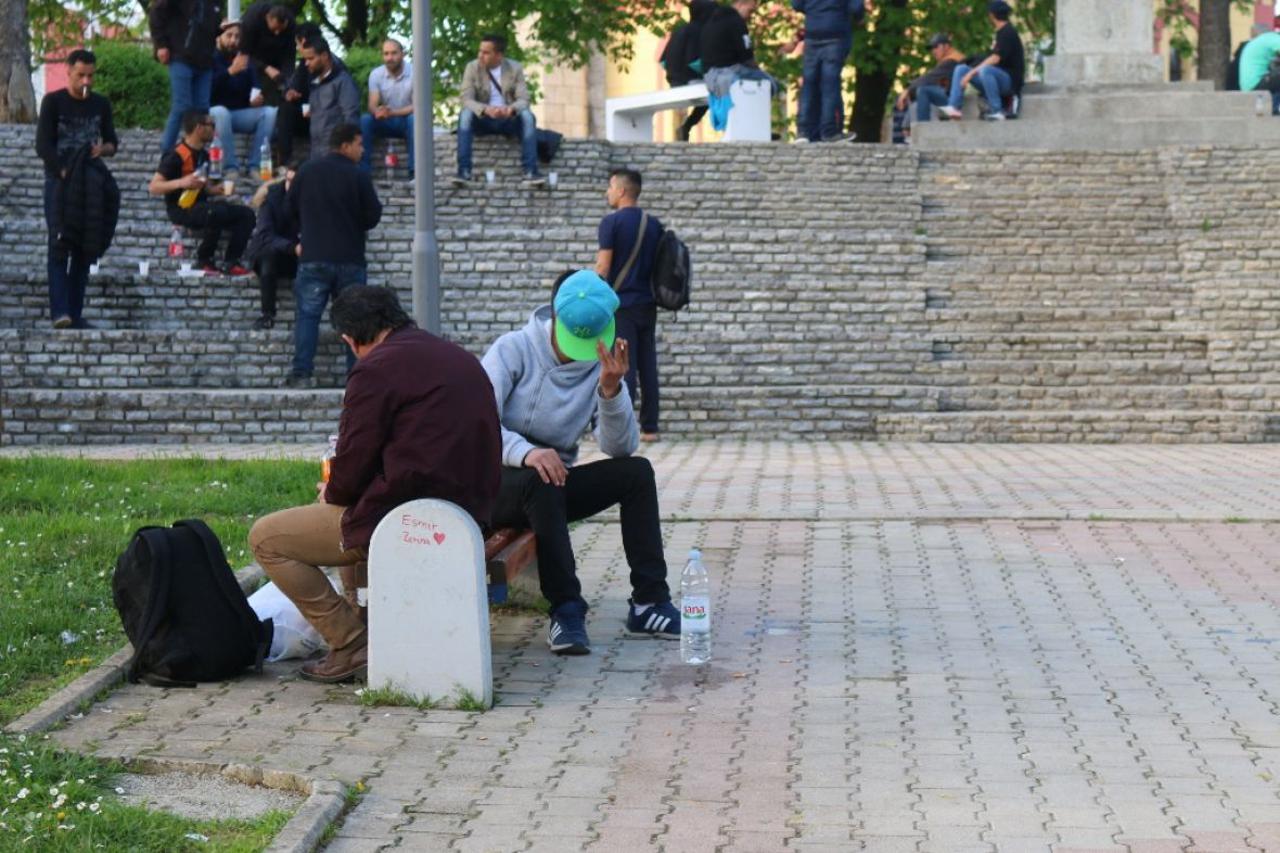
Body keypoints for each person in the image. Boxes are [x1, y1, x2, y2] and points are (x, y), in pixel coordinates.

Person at [249, 285, 503, 683]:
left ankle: (350, 641)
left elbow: (352, 463)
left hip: (407, 516)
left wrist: (331, 492)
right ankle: (369, 629)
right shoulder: (458, 357)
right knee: (349, 519)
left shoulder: (375, 369)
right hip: (469, 514)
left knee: (267, 538)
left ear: (350, 339)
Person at [482, 270, 681, 656]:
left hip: (551, 483)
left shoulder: (600, 361)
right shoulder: (512, 350)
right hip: (496, 484)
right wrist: (525, 452)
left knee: (636, 473)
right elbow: (477, 424)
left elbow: (619, 447)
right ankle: (566, 609)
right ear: (555, 318)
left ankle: (649, 603)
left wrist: (610, 391)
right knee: (542, 478)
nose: (580, 350)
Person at [286, 123, 382, 387]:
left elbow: (288, 208)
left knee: (308, 316)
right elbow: (373, 215)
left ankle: (302, 374)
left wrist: (306, 229)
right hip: (350, 258)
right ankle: (356, 378)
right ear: (345, 145)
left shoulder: (307, 170)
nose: (362, 150)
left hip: (314, 256)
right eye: (359, 144)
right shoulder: (358, 175)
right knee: (355, 321)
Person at [35, 49, 119, 329]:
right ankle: (60, 312)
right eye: (81, 75)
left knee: (85, 247)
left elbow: (112, 143)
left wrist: (102, 149)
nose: (86, 81)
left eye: (90, 76)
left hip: (90, 183)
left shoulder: (101, 104)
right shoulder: (53, 102)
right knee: (59, 244)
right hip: (59, 182)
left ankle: (75, 312)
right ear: (69, 71)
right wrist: (61, 170)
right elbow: (43, 144)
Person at [595, 169, 664, 442]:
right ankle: (650, 428)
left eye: (610, 187)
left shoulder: (611, 223)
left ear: (622, 191)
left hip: (621, 304)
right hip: (648, 303)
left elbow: (603, 267)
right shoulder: (653, 224)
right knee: (648, 365)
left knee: (624, 364)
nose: (608, 192)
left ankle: (623, 425)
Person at [149, 109, 256, 277]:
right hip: (181, 208)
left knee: (247, 215)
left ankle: (231, 261)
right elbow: (154, 187)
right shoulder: (176, 155)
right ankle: (204, 260)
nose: (214, 129)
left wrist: (217, 190)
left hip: (202, 206)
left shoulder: (204, 155)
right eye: (211, 125)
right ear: (199, 128)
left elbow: (204, 187)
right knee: (215, 212)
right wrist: (181, 182)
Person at [453, 34, 545, 188]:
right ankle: (464, 171)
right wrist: (485, 109)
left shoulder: (515, 68)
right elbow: (466, 99)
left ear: (499, 55)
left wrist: (511, 109)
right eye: (480, 51)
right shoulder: (472, 67)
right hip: (483, 119)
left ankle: (530, 171)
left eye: (485, 52)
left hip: (507, 119)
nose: (480, 55)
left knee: (528, 116)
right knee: (465, 114)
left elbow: (524, 99)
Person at [150, 0, 222, 153]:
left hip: (205, 61)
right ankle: (166, 154)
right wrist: (161, 44)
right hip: (180, 56)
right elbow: (156, 12)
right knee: (182, 106)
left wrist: (222, 29)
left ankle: (196, 154)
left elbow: (213, 28)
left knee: (202, 109)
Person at [209, 20, 277, 180]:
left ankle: (255, 166)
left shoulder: (245, 60)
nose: (233, 40)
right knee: (221, 112)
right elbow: (207, 90)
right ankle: (230, 167)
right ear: (219, 37)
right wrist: (230, 72)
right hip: (214, 113)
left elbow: (255, 88)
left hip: (239, 114)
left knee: (270, 112)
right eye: (229, 35)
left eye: (237, 37)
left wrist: (255, 100)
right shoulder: (210, 58)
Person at [791, 0, 865, 143]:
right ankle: (829, 131)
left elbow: (796, 4)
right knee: (830, 84)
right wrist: (859, 18)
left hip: (812, 33)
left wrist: (815, 11)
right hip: (836, 34)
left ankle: (803, 131)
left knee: (808, 83)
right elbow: (856, 7)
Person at [700, 0, 780, 130]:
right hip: (730, 71)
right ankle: (758, 127)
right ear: (742, 3)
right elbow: (747, 57)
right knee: (770, 84)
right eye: (750, 11)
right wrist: (759, 70)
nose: (750, 16)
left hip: (710, 75)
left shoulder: (710, 21)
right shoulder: (736, 21)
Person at [939, 0, 1024, 122]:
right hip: (995, 80)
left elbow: (995, 58)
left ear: (992, 15)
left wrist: (971, 74)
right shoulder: (1000, 32)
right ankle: (954, 107)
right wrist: (969, 72)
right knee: (961, 69)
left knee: (985, 70)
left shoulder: (1008, 32)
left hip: (1010, 82)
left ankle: (997, 110)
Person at [244, 158, 301, 330]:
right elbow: (266, 235)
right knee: (269, 256)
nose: (290, 186)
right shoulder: (272, 198)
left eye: (295, 182)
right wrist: (293, 247)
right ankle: (267, 314)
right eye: (288, 180)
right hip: (268, 254)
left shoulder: (310, 199)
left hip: (294, 256)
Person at [660, 0, 718, 141]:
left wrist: (674, 74)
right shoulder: (699, 30)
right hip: (689, 81)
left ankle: (686, 127)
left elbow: (663, 61)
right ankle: (688, 126)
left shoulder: (679, 30)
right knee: (719, 91)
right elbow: (694, 62)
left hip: (674, 82)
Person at [359, 39, 415, 178]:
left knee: (414, 120)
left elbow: (418, 106)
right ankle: (363, 172)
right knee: (365, 120)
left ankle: (414, 171)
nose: (390, 58)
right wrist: (378, 111)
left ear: (402, 54)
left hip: (406, 121)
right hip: (386, 120)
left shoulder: (415, 72)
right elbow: (372, 105)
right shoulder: (376, 74)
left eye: (394, 53)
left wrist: (392, 112)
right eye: (386, 54)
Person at [299, 37, 360, 159]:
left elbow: (351, 117)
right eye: (305, 59)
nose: (306, 63)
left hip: (337, 154)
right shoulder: (313, 83)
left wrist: (344, 150)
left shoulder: (343, 81)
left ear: (325, 56)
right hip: (316, 153)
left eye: (311, 58)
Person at [274, 22, 321, 164]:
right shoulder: (303, 64)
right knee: (285, 108)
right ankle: (284, 162)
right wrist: (290, 93)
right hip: (306, 117)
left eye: (297, 44)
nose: (297, 48)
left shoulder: (334, 66)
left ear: (304, 41)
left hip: (325, 116)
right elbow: (294, 86)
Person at [229, 2, 295, 103]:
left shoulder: (291, 24)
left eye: (281, 30)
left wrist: (288, 80)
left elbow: (289, 55)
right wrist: (266, 68)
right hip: (253, 58)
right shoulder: (251, 20)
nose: (277, 33)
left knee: (278, 92)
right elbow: (243, 54)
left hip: (276, 60)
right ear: (267, 18)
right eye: (274, 29)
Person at [897, 33, 965, 124]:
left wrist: (908, 90)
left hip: (959, 101)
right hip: (952, 97)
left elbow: (929, 78)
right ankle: (908, 127)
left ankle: (922, 126)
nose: (933, 51)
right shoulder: (948, 60)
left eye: (936, 47)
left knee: (923, 91)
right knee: (917, 94)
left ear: (946, 46)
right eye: (932, 48)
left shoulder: (952, 60)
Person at [1240, 21, 1280, 115]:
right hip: (1257, 83)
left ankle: (1275, 107)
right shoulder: (1271, 37)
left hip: (1248, 86)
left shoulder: (1254, 43)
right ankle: (1275, 107)